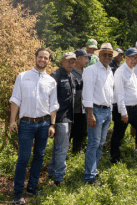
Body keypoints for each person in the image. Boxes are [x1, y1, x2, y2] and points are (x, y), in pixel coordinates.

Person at [9, 48, 59, 204]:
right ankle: (18, 193)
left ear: (49, 61)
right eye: (40, 57)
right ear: (35, 57)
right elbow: (16, 99)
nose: (43, 60)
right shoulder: (23, 77)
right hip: (26, 124)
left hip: (44, 124)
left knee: (39, 156)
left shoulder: (51, 81)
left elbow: (53, 105)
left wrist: (52, 124)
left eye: (46, 58)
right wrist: (12, 121)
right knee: (23, 158)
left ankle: (32, 187)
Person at [82, 43, 117, 186]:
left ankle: (93, 170)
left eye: (110, 55)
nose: (107, 57)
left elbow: (110, 92)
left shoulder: (110, 71)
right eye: (105, 54)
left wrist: (111, 111)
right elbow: (87, 92)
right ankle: (89, 177)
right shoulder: (91, 70)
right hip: (95, 110)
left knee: (101, 144)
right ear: (99, 55)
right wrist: (90, 114)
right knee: (93, 144)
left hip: (107, 110)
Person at [48, 52, 77, 186]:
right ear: (62, 61)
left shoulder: (71, 76)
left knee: (58, 147)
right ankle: (59, 178)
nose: (71, 64)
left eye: (73, 62)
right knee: (63, 148)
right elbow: (48, 96)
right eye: (69, 61)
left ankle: (51, 172)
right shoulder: (56, 75)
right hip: (60, 118)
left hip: (69, 117)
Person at [69, 49, 91, 154]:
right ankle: (63, 154)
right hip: (72, 108)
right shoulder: (70, 72)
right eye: (86, 58)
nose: (87, 61)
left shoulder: (86, 72)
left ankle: (76, 152)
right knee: (70, 132)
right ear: (78, 59)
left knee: (81, 131)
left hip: (83, 107)